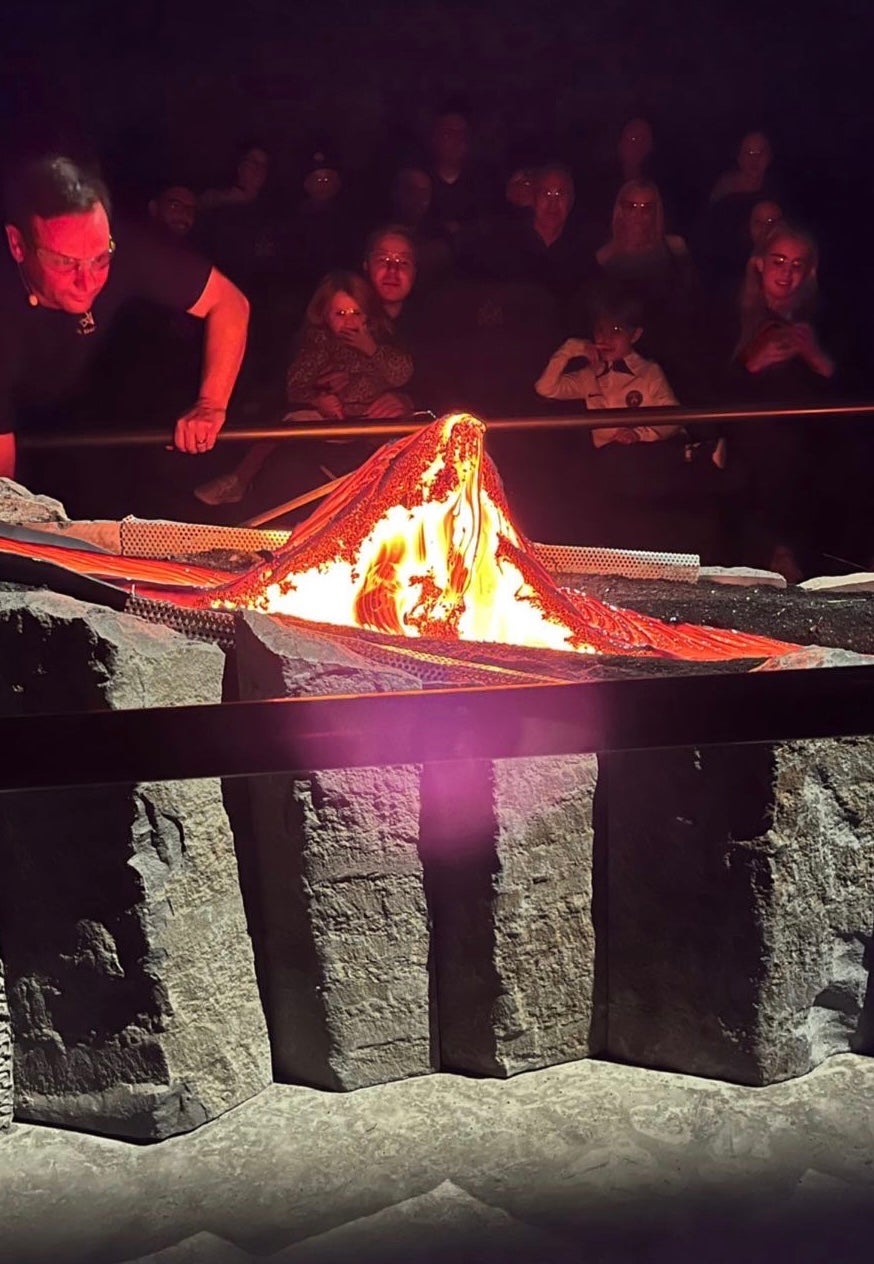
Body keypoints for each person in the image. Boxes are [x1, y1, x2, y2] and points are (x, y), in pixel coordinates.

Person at [0, 154, 249, 505]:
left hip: (89, 417)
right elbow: (3, 491)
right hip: (19, 427)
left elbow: (229, 302)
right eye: (64, 262)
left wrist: (211, 403)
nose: (87, 280)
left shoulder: (125, 247)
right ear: (17, 245)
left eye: (100, 258)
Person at [195, 270, 412, 507]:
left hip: (370, 419)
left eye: (356, 313)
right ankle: (239, 480)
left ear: (368, 315)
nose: (349, 321)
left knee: (399, 433)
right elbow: (295, 385)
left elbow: (401, 375)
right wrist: (319, 397)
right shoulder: (318, 343)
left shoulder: (381, 339)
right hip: (326, 419)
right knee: (286, 424)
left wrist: (371, 348)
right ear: (324, 315)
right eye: (340, 313)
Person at [535, 300, 729, 556]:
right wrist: (570, 349)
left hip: (651, 451)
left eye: (616, 330)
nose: (606, 338)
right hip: (613, 460)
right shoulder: (589, 375)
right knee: (597, 470)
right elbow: (545, 388)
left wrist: (638, 433)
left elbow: (672, 418)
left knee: (627, 464)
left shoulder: (649, 372)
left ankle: (694, 454)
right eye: (600, 330)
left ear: (634, 335)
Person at [726, 223, 835, 578]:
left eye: (796, 264)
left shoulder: (823, 320)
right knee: (770, 451)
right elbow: (710, 393)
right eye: (779, 261)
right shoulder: (730, 316)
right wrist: (752, 364)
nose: (786, 273)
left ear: (809, 271)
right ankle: (776, 553)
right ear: (760, 264)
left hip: (812, 435)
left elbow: (846, 394)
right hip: (750, 435)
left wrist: (817, 358)